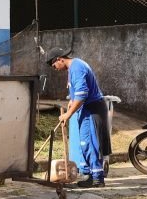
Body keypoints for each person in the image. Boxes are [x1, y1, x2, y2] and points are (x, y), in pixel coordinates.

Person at [46, 47, 112, 188]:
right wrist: (71, 101)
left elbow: (82, 94)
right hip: (86, 109)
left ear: (59, 59)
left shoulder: (76, 68)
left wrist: (68, 115)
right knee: (85, 144)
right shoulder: (73, 67)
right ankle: (89, 175)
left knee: (90, 145)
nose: (55, 69)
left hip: (92, 109)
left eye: (54, 65)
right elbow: (77, 92)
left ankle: (97, 179)